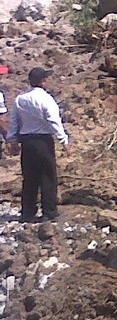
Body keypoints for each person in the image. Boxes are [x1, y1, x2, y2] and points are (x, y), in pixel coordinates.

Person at [8, 67, 69, 222]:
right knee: (48, 176)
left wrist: (12, 140)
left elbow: (14, 120)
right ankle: (49, 212)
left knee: (29, 177)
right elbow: (54, 121)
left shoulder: (20, 99)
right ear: (43, 81)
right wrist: (64, 140)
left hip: (27, 142)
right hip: (43, 141)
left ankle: (28, 212)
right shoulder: (46, 99)